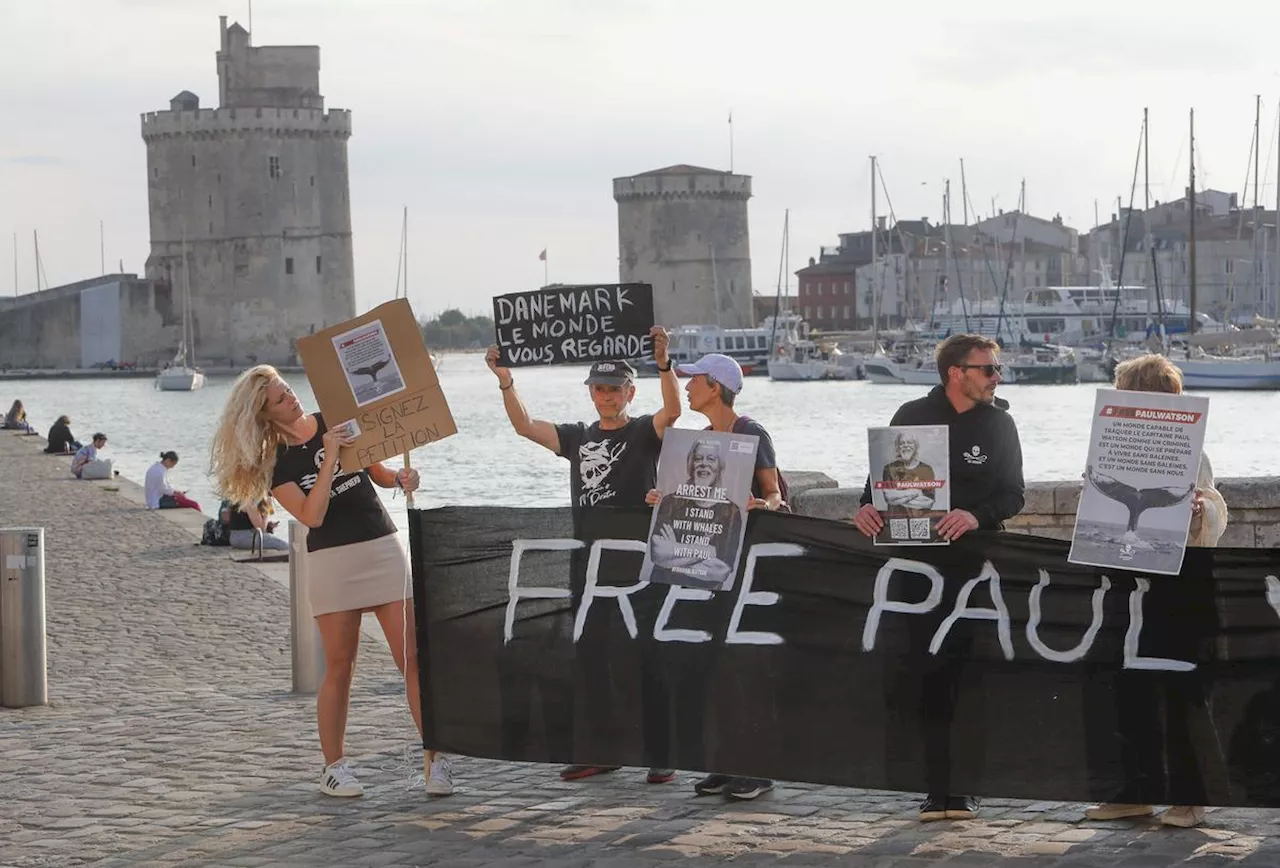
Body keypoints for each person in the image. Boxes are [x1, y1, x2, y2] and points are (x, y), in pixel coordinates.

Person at [208, 365, 453, 798]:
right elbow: (312, 515)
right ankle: (334, 767)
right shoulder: (276, 462)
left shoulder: (332, 420)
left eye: (290, 390)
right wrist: (329, 457)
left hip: (380, 544)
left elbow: (375, 471)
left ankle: (436, 758)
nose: (293, 400)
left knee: (413, 658)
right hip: (332, 560)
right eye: (281, 399)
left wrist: (400, 478)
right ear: (265, 413)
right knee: (341, 666)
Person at [485, 326, 681, 785]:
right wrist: (505, 381)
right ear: (591, 392)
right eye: (600, 389)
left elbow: (673, 411)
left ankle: (661, 753)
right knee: (592, 661)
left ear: (629, 392)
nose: (607, 396)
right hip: (589, 568)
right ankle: (602, 750)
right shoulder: (577, 437)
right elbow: (523, 426)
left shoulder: (643, 433)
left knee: (647, 658)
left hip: (639, 567)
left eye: (615, 389)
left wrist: (665, 363)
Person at [852, 333, 1025, 822]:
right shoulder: (909, 415)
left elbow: (1014, 495)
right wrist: (865, 509)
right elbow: (876, 488)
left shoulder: (999, 424)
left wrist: (975, 515)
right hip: (916, 569)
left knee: (968, 674)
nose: (997, 376)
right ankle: (935, 786)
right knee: (924, 673)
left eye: (996, 368)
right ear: (957, 372)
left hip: (975, 568)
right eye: (988, 368)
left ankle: (965, 786)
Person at [1084, 353, 1227, 829]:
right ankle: (1136, 791)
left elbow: (1213, 514)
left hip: (1181, 588)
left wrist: (1198, 510)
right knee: (1131, 688)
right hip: (1133, 585)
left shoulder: (1192, 450)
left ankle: (1191, 798)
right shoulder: (1117, 449)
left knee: (1182, 691)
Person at [646, 352, 784, 801]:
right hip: (708, 569)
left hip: (748, 570)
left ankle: (758, 770)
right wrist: (662, 498)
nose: (687, 388)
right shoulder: (701, 439)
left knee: (745, 668)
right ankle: (725, 763)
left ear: (716, 386)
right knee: (713, 667)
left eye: (694, 380)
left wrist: (762, 506)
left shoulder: (750, 432)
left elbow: (776, 495)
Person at [647, 437, 745, 590]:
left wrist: (673, 552)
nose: (703, 463)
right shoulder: (671, 502)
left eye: (711, 459)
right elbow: (657, 553)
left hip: (704, 596)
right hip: (662, 591)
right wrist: (708, 551)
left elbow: (720, 572)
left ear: (720, 467)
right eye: (698, 458)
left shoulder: (730, 511)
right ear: (690, 465)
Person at [221, 497, 289, 551]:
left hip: (237, 536)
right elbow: (261, 528)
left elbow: (246, 521)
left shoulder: (242, 497)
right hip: (244, 538)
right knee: (283, 545)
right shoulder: (249, 501)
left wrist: (268, 524)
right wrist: (267, 511)